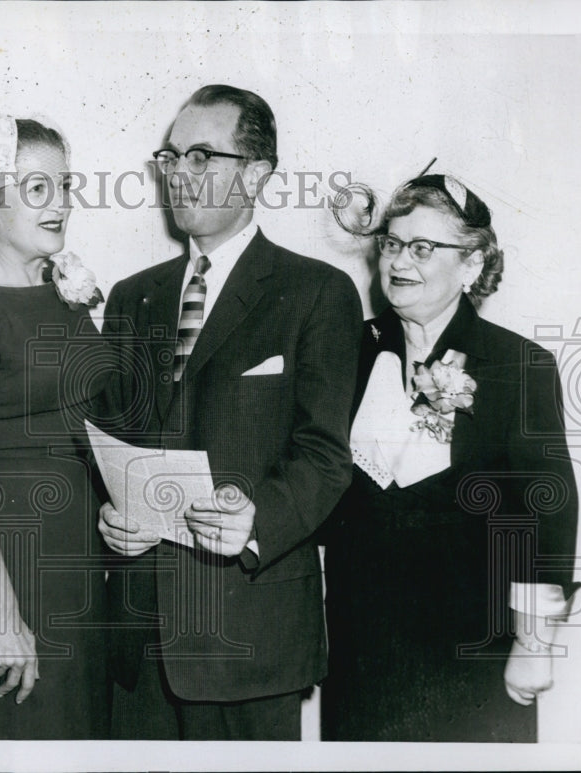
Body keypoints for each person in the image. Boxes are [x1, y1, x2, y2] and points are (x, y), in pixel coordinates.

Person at [96, 84, 363, 740]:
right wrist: (109, 515)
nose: (178, 175)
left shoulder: (318, 292)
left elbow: (325, 455)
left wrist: (257, 520)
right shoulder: (133, 297)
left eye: (201, 157)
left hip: (250, 639)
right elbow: (111, 440)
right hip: (140, 637)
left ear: (256, 173)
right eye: (171, 157)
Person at [320, 174, 581, 742]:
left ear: (471, 263)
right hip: (360, 652)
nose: (398, 261)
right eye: (392, 243)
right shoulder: (345, 349)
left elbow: (546, 515)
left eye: (422, 248)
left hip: (474, 658)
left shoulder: (518, 365)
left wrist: (534, 645)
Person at [0, 114, 110, 739]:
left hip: (73, 565)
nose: (59, 204)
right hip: (5, 572)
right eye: (36, 188)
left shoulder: (62, 291)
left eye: (64, 185)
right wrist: (2, 615)